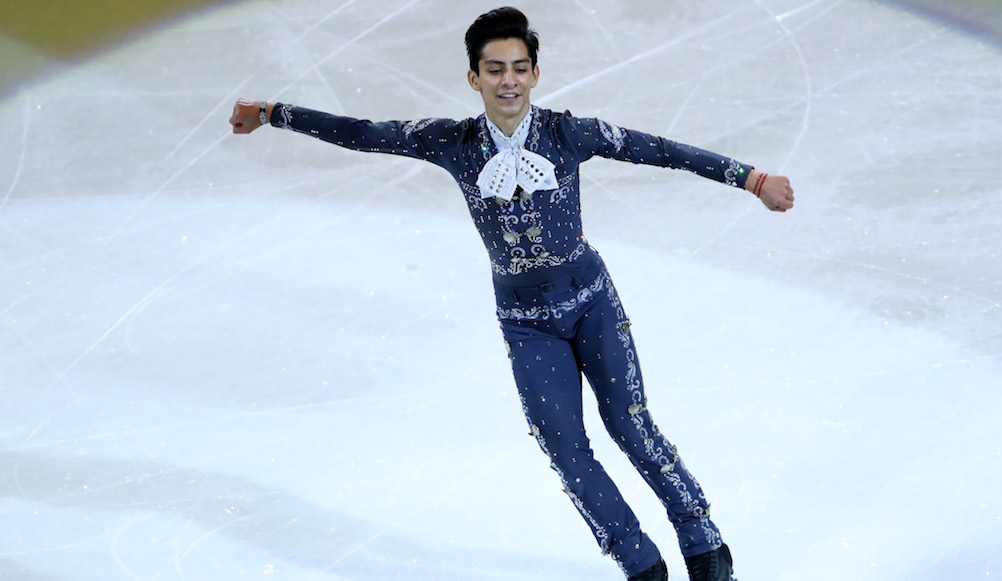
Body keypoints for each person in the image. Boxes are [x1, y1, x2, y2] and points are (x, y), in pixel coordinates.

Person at [230, 7, 793, 581]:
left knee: (630, 425)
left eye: (519, 68)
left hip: (591, 302)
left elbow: (660, 149)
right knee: (566, 453)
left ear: (535, 74)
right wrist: (275, 114)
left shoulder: (568, 133)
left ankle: (704, 545)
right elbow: (366, 135)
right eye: (495, 69)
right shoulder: (450, 141)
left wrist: (750, 178)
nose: (508, 81)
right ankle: (642, 567)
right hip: (526, 323)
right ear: (474, 78)